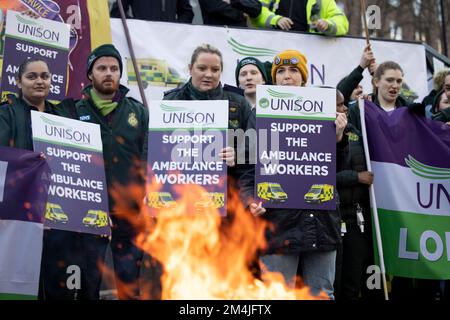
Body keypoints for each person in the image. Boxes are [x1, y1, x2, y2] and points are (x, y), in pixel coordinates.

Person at [0, 58, 108, 300]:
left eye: (45, 76)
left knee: (60, 285)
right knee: (24, 284)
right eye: (32, 76)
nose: (40, 81)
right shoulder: (5, 114)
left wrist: (96, 208)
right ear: (18, 81)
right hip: (22, 218)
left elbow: (83, 165)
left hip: (62, 219)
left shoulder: (64, 115)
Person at [249, 49, 344, 299]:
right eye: (280, 71)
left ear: (303, 77)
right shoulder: (259, 113)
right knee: (277, 295)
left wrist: (339, 138)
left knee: (321, 294)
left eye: (293, 71)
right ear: (273, 78)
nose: (287, 76)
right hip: (278, 222)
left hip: (321, 222)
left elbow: (339, 168)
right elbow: (248, 169)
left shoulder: (325, 111)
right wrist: (250, 200)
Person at [59, 44, 149, 300]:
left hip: (130, 212)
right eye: (101, 68)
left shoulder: (138, 111)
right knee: (88, 281)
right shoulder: (73, 111)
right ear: (90, 74)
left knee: (129, 280)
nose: (108, 73)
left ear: (121, 73)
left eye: (114, 68)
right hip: (89, 212)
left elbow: (149, 155)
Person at [333, 89, 383, 301]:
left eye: (345, 104)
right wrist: (356, 177)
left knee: (357, 280)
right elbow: (322, 177)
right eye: (339, 105)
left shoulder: (356, 134)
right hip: (331, 219)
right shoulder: (312, 137)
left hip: (356, 219)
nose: (345, 108)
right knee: (336, 283)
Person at [251, 0, 349, 36]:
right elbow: (256, 12)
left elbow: (342, 22)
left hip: (308, 54)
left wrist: (328, 24)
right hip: (272, 48)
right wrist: (276, 20)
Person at [110, 0, 194, 23]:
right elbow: (117, 12)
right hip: (141, 43)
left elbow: (187, 13)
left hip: (170, 44)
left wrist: (175, 27)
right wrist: (137, 26)